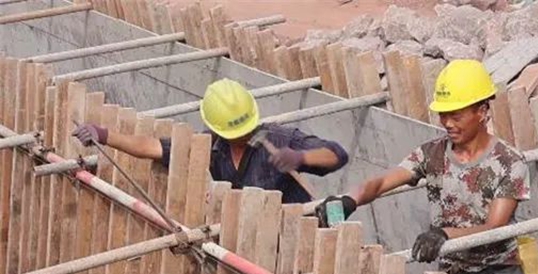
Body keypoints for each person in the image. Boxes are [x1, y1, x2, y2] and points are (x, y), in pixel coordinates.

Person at [315, 59, 533, 274]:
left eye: (456, 115)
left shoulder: (509, 162)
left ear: (482, 111)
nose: (448, 123)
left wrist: (444, 234)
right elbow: (382, 182)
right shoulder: (433, 154)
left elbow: (494, 227)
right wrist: (348, 200)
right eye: (443, 115)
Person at [73, 78, 349, 204]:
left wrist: (302, 158)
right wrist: (105, 135)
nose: (241, 136)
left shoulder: (278, 140)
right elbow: (151, 147)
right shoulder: (211, 149)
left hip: (294, 240)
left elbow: (337, 155)